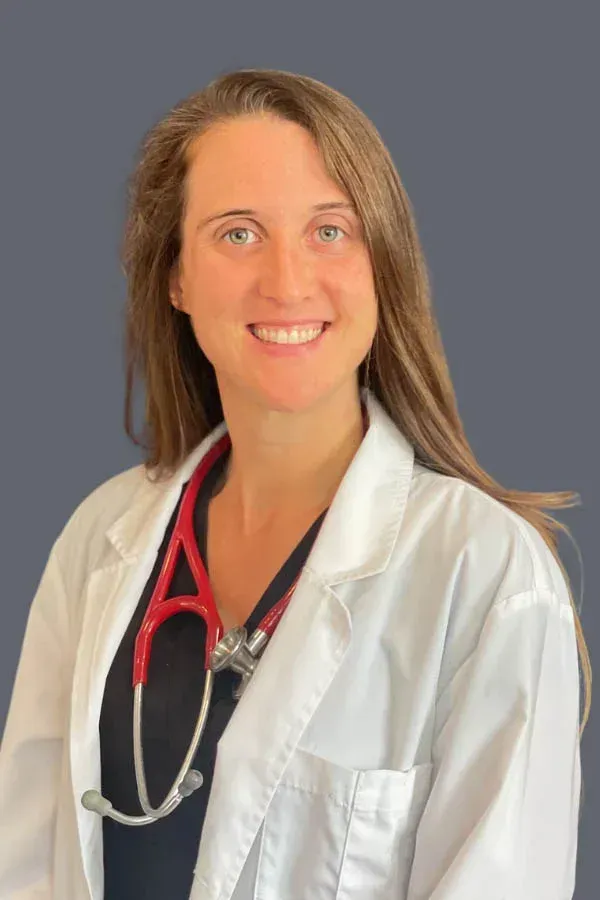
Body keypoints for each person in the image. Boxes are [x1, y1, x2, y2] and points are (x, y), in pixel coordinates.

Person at [0, 68, 590, 900]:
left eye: (330, 230)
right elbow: (24, 862)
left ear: (383, 264)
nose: (287, 280)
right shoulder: (100, 537)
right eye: (238, 233)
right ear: (175, 277)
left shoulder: (485, 573)